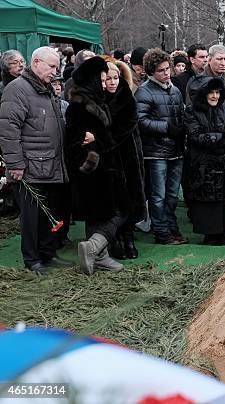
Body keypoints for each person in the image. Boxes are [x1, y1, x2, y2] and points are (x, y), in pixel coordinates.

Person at [0, 46, 70, 274]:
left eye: (57, 67)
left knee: (49, 213)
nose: (55, 72)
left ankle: (47, 253)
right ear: (36, 62)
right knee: (31, 217)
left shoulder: (46, 88)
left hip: (50, 163)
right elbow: (8, 130)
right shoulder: (17, 89)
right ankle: (32, 260)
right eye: (52, 66)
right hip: (29, 167)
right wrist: (16, 164)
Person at [64, 56, 133, 274]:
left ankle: (98, 255)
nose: (105, 85)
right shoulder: (81, 106)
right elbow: (79, 140)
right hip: (95, 170)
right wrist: (93, 147)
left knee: (100, 214)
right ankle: (95, 247)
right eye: (102, 80)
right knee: (119, 211)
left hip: (101, 168)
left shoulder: (92, 101)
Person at [135, 48, 188, 245]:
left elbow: (181, 116)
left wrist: (184, 127)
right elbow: (140, 121)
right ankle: (161, 231)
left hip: (175, 150)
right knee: (158, 196)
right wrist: (166, 128)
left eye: (168, 69)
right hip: (156, 152)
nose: (166, 73)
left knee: (173, 195)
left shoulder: (174, 90)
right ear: (151, 72)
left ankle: (171, 227)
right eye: (161, 70)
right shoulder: (144, 91)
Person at [184, 77, 225, 245]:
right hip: (203, 164)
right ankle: (210, 233)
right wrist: (222, 138)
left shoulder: (224, 108)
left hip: (224, 162)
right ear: (204, 94)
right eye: (211, 92)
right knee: (207, 199)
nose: (215, 96)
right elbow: (195, 136)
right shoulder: (191, 110)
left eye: (217, 92)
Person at [104, 59, 147, 259]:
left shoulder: (128, 99)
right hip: (110, 159)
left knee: (130, 197)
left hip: (129, 156)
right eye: (108, 79)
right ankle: (115, 241)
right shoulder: (98, 100)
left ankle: (128, 238)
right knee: (113, 202)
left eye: (115, 78)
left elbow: (131, 127)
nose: (112, 82)